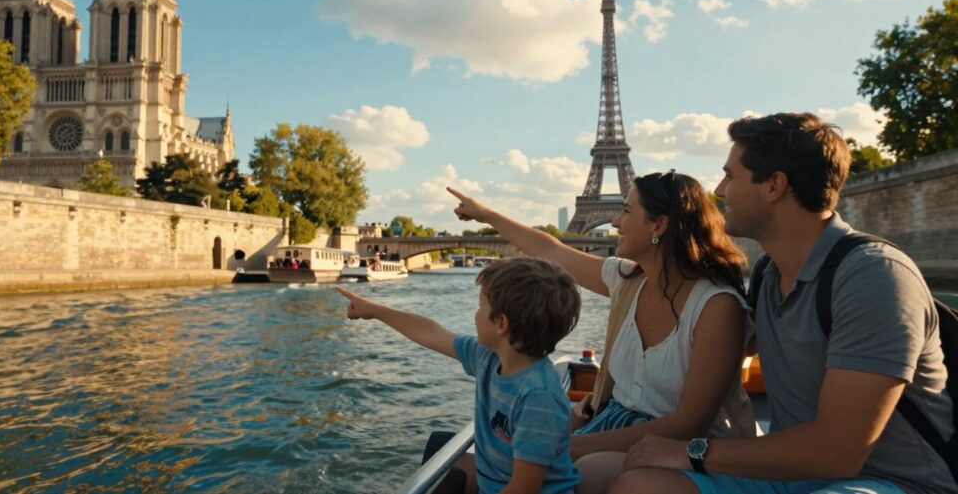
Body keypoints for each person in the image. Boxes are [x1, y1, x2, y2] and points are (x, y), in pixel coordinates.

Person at [616, 112, 954, 494]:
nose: (719, 190)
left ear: (774, 185)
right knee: (641, 485)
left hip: (887, 482)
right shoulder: (767, 275)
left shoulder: (874, 277)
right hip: (793, 475)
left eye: (730, 175)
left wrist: (693, 451)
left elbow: (838, 453)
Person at [448, 171, 756, 493]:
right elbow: (551, 252)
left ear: (659, 226)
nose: (614, 223)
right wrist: (486, 214)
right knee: (461, 465)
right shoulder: (627, 281)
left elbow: (687, 424)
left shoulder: (716, 307)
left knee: (570, 471)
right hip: (614, 425)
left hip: (686, 450)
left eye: (625, 211)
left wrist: (573, 444)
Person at [336, 257, 582, 494]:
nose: (475, 314)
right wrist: (375, 310)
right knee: (437, 446)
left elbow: (523, 489)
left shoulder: (538, 398)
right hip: (493, 483)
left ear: (501, 324)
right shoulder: (487, 357)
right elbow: (431, 333)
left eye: (480, 306)